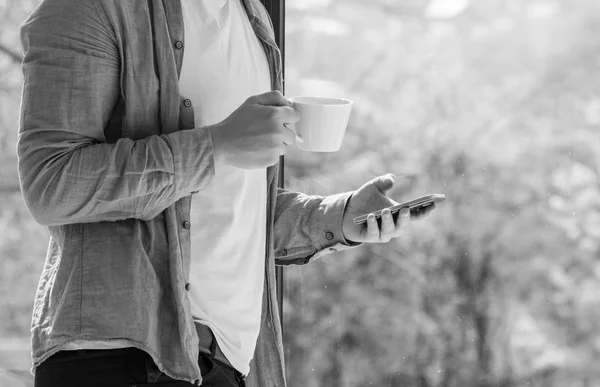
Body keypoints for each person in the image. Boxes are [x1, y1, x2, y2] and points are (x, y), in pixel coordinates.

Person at [17, 0, 436, 386]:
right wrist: (218, 145)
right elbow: (51, 183)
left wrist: (337, 217)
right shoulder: (92, 7)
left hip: (227, 364)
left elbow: (224, 205)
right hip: (119, 356)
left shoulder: (252, 19)